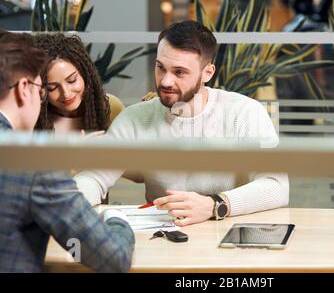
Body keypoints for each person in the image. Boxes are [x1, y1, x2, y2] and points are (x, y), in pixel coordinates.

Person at [75, 21, 289, 226]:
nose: (166, 81)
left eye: (179, 72)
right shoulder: (136, 118)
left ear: (208, 73)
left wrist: (214, 205)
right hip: (164, 238)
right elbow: (94, 177)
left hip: (229, 235)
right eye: (161, 67)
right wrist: (65, 204)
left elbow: (276, 186)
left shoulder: (244, 112)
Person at [0, 30, 135, 273]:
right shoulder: (33, 163)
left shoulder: (110, 107)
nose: (64, 94)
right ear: (23, 88)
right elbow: (113, 258)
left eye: (72, 81)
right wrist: (118, 219)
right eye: (45, 88)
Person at [33, 33, 124, 135]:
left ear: (85, 75)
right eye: (52, 88)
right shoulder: (34, 119)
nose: (66, 94)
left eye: (72, 80)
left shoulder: (113, 107)